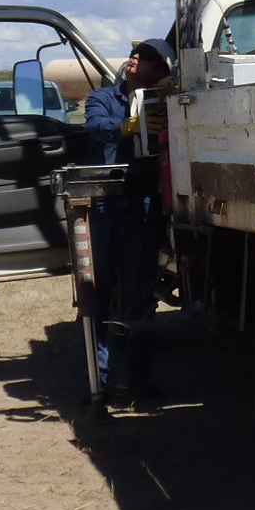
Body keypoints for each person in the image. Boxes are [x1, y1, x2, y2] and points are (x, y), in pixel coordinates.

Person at [81, 37, 175, 393]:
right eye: (136, 52)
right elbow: (94, 126)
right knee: (97, 296)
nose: (136, 57)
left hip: (144, 210)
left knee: (139, 299)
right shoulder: (102, 99)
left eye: (147, 56)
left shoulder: (166, 105)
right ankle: (98, 384)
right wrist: (127, 126)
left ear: (161, 71)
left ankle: (138, 382)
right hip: (104, 207)